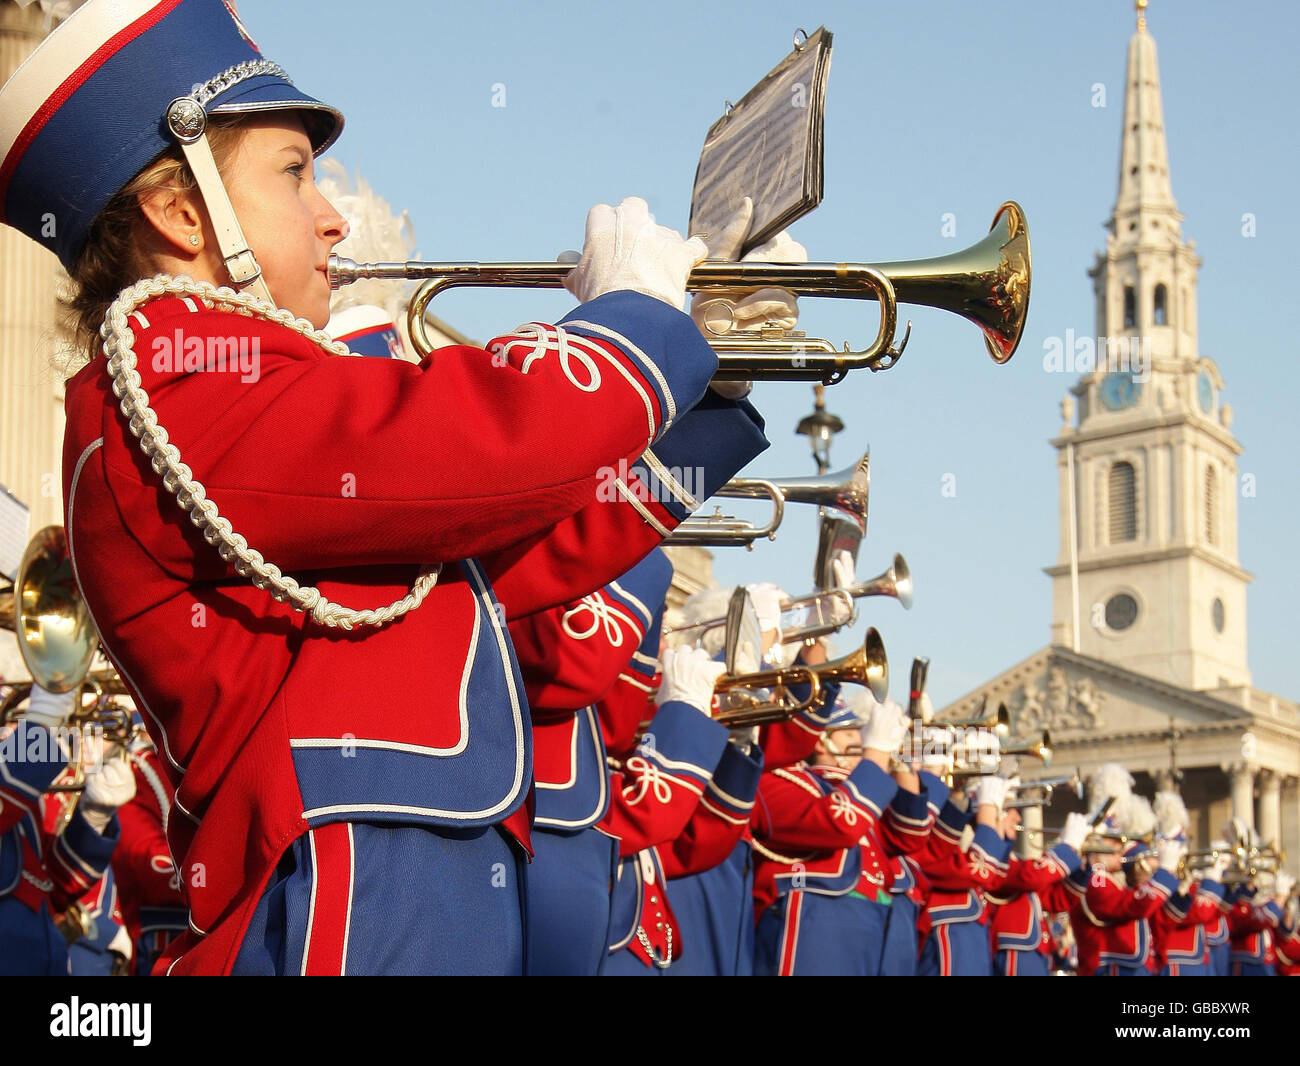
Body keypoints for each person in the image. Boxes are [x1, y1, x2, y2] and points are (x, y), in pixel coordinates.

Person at [0, 0, 767, 974]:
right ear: (180, 209)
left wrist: (701, 384)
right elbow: (479, 445)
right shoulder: (175, 371)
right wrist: (629, 322)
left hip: (399, 891)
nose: (328, 213)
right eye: (292, 171)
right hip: (344, 904)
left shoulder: (220, 374)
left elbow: (524, 557)